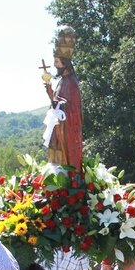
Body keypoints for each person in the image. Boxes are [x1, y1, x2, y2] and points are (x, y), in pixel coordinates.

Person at [43, 25, 83, 171]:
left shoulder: (71, 83)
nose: (55, 66)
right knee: (55, 157)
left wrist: (60, 105)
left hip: (67, 131)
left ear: (65, 64)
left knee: (66, 161)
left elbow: (73, 108)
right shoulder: (62, 81)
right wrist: (50, 91)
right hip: (58, 128)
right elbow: (56, 101)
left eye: (57, 63)